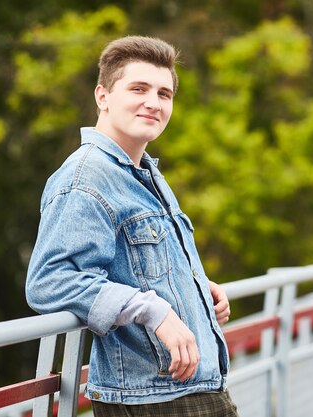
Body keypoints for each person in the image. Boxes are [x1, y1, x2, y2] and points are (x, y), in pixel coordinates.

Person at [25, 36, 238, 417]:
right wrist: (153, 309)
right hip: (151, 399)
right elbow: (49, 280)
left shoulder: (143, 172)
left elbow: (133, 263)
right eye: (138, 89)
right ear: (102, 96)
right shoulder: (85, 177)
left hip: (189, 387)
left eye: (164, 93)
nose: (154, 103)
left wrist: (192, 292)